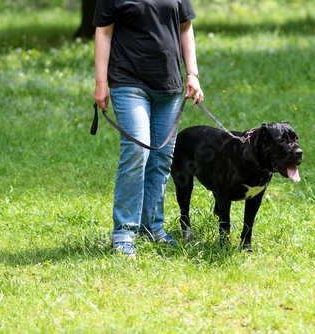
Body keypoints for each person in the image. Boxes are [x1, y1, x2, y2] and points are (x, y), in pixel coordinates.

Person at [93, 0, 204, 258]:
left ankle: (151, 226)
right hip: (128, 81)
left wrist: (193, 74)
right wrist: (101, 82)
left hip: (170, 85)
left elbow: (185, 27)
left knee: (162, 157)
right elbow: (104, 31)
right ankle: (123, 232)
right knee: (136, 151)